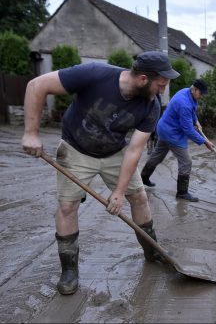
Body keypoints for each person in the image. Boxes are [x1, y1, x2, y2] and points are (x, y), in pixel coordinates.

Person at [21, 51, 179, 295]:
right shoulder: (94, 74)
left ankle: (152, 250)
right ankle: (69, 270)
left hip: (115, 152)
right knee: (67, 207)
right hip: (76, 148)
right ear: (143, 79)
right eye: (161, 84)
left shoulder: (151, 106)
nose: (162, 90)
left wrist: (118, 192)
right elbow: (36, 85)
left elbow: (134, 150)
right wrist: (31, 132)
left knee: (138, 197)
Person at [140, 79, 215, 202]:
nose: (201, 96)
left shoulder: (186, 91)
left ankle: (143, 177)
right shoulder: (184, 103)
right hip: (172, 133)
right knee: (186, 162)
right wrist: (205, 142)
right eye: (201, 94)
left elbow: (192, 110)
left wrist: (195, 120)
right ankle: (182, 193)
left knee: (157, 155)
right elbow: (188, 130)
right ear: (194, 89)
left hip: (163, 128)